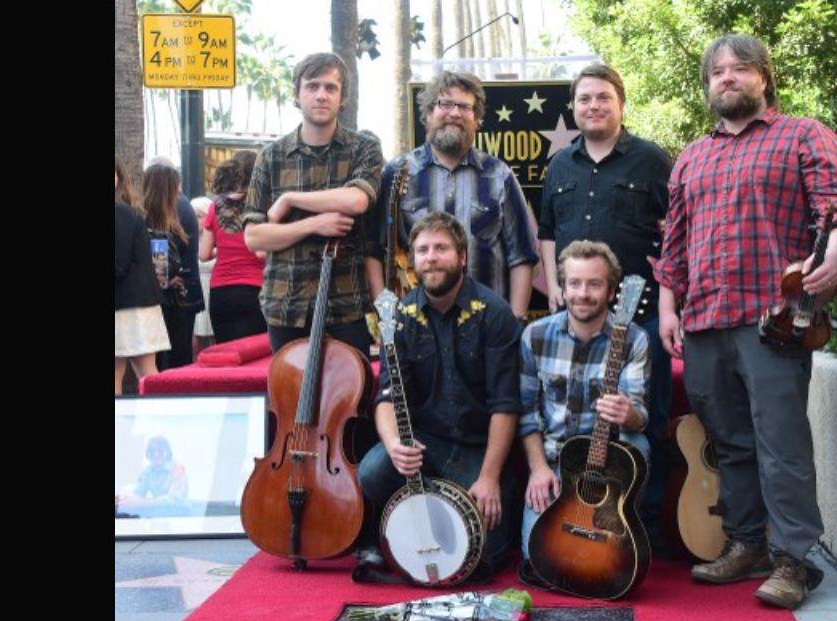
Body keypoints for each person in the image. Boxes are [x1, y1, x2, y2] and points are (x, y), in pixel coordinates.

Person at [655, 34, 837, 609]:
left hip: (773, 321)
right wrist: (669, 306)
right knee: (730, 443)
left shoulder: (802, 134)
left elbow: (835, 205)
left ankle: (795, 561)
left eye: (740, 68)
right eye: (717, 71)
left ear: (764, 78)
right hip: (702, 321)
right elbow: (673, 243)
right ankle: (746, 544)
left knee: (782, 443)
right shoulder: (692, 157)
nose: (728, 77)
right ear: (707, 86)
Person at [536, 63, 675, 553]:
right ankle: (569, 510)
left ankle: (643, 527)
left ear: (620, 104)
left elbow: (673, 235)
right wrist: (555, 286)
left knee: (643, 418)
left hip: (637, 318)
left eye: (602, 98)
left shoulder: (652, 161)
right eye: (584, 99)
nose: (593, 106)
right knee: (575, 416)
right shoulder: (560, 165)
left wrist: (669, 306)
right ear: (573, 108)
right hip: (577, 313)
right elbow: (547, 233)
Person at [354, 211, 521, 584]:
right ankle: (409, 521)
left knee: (479, 561)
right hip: (426, 447)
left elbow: (505, 404)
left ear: (462, 257)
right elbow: (385, 397)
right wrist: (395, 443)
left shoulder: (494, 314)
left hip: (479, 451)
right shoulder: (398, 317)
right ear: (412, 260)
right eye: (423, 250)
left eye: (441, 248)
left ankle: (445, 508)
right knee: (372, 470)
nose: (431, 257)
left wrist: (490, 477)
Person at [516, 240, 650, 581]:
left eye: (594, 284)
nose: (583, 293)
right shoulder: (536, 335)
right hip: (555, 464)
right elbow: (526, 412)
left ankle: (618, 518)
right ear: (562, 286)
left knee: (641, 446)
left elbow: (640, 415)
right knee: (538, 558)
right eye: (574, 283)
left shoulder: (633, 339)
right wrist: (537, 469)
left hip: (607, 472)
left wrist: (627, 412)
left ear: (611, 290)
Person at [242, 52, 384, 359]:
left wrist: (290, 199)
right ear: (297, 93)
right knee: (291, 403)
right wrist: (312, 224)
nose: (321, 95)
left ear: (342, 96)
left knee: (349, 404)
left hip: (345, 304)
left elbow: (357, 200)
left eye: (331, 88)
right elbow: (254, 237)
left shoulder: (364, 148)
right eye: (312, 86)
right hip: (285, 305)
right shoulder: (271, 156)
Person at [373, 71, 538, 321]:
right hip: (417, 327)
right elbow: (374, 251)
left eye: (464, 106)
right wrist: (387, 318)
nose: (455, 113)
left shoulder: (499, 175)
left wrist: (515, 321)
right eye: (445, 104)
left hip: (487, 326)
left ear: (476, 119)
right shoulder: (397, 173)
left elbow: (522, 256)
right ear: (428, 115)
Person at [200, 151, 268, 343]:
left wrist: (223, 248)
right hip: (254, 289)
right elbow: (262, 253)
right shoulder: (261, 206)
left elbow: (203, 254)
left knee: (226, 357)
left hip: (220, 293)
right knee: (256, 357)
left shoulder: (215, 206)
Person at [115, 157, 170, 394]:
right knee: (148, 375)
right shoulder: (128, 213)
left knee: (145, 374)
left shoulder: (122, 214)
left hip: (128, 308)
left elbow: (118, 263)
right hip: (137, 305)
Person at [143, 163, 205, 370]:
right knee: (179, 358)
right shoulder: (182, 208)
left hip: (164, 298)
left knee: (159, 361)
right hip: (184, 295)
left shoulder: (148, 216)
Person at [117, 435, 191, 516]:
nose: (156, 454)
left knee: (156, 513)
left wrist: (142, 502)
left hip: (179, 511)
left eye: (160, 450)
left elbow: (173, 499)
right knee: (122, 510)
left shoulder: (178, 468)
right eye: (152, 451)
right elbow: (138, 492)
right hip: (158, 509)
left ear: (167, 452)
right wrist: (124, 498)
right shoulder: (147, 471)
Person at [191, 196, 216, 357]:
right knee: (194, 337)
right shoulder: (189, 240)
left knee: (215, 337)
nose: (195, 221)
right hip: (197, 290)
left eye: (199, 216)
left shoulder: (216, 240)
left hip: (212, 291)